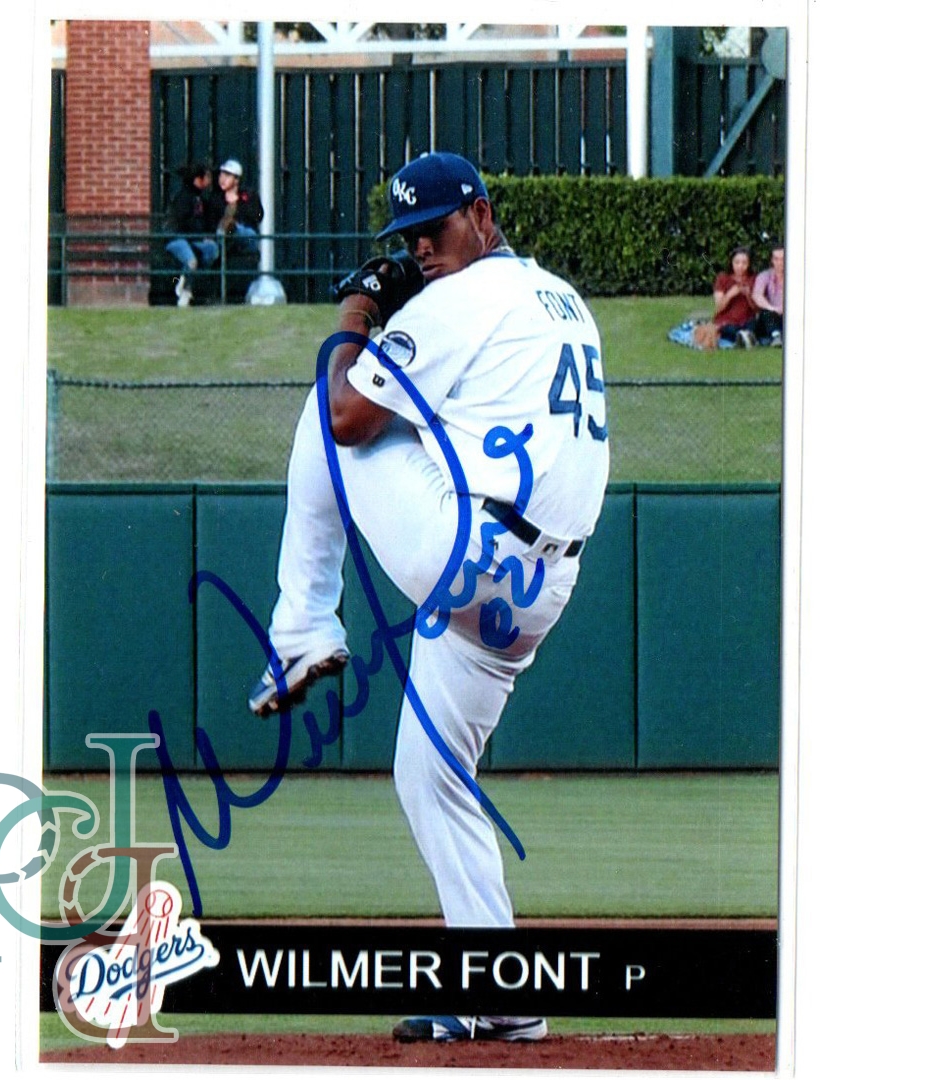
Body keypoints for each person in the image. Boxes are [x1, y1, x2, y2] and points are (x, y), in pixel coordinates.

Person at [248, 152, 610, 1043]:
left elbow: (349, 417)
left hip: (471, 552)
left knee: (327, 401)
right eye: (408, 237)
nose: (421, 248)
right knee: (429, 773)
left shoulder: (460, 299)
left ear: (482, 215)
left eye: (434, 228)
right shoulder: (562, 297)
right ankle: (501, 993)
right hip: (538, 587)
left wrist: (359, 311)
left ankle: (301, 628)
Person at [164, 162, 220, 307]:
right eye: (207, 177)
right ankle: (186, 291)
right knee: (191, 261)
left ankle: (187, 279)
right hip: (177, 239)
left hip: (192, 239)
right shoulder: (183, 198)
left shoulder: (200, 199)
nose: (209, 180)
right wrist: (199, 237)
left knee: (212, 249)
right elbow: (182, 224)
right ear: (198, 179)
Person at [212, 158, 264, 256]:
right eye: (221, 175)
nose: (222, 179)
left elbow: (258, 215)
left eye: (227, 176)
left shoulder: (249, 196)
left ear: (236, 180)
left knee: (248, 234)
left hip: (245, 237)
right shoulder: (216, 199)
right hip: (222, 238)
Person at [713, 246, 759, 347]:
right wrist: (730, 294)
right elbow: (718, 307)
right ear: (731, 263)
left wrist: (749, 295)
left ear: (749, 264)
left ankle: (744, 337)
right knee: (729, 329)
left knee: (754, 326)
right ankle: (742, 337)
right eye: (737, 262)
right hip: (727, 321)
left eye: (744, 263)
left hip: (747, 320)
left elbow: (757, 309)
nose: (740, 266)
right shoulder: (723, 278)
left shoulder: (754, 279)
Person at [751, 243, 784, 346]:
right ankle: (776, 336)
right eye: (776, 259)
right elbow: (757, 295)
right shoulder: (764, 276)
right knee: (765, 313)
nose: (780, 263)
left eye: (783, 259)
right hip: (771, 315)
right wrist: (772, 308)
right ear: (772, 260)